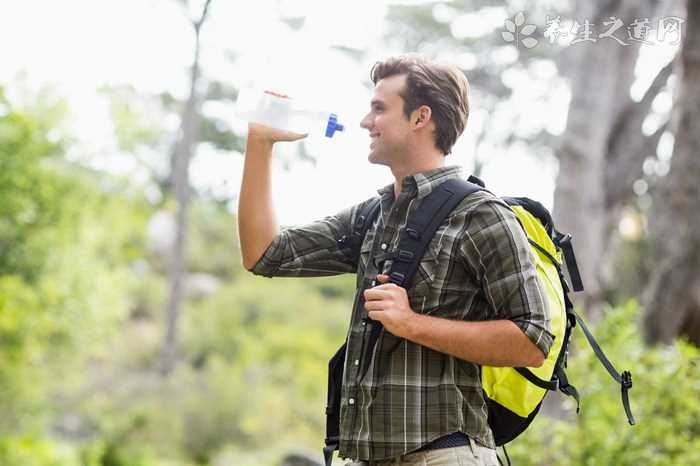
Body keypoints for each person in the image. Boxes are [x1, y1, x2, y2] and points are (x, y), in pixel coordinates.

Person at [237, 55, 553, 466]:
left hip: (445, 456)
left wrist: (411, 324)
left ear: (421, 117)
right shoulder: (373, 215)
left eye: (379, 108)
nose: (366, 122)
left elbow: (533, 340)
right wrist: (260, 142)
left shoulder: (481, 215)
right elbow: (264, 254)